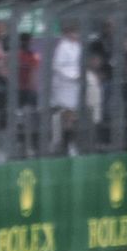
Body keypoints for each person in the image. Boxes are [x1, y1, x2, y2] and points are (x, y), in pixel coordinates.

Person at [51, 20, 82, 154]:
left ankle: (71, 143)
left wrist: (79, 76)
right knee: (66, 115)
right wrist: (72, 76)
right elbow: (57, 66)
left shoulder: (78, 46)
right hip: (64, 86)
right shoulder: (62, 47)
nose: (76, 35)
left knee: (73, 116)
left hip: (75, 86)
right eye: (73, 32)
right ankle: (65, 144)